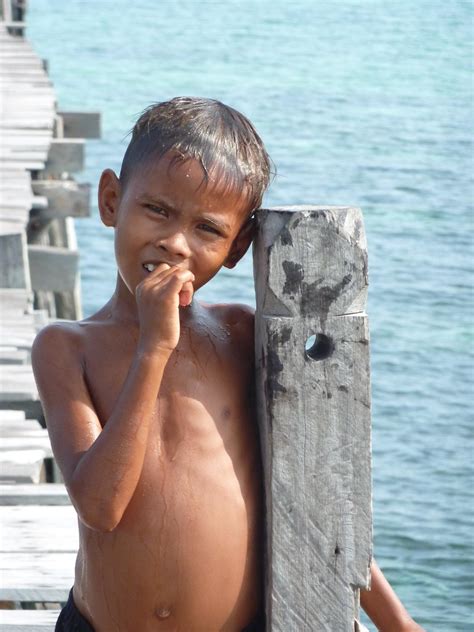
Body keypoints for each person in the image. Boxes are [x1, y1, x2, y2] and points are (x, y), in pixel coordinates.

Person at [32, 96, 423, 631]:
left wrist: (399, 623)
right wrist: (154, 348)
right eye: (157, 210)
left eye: (207, 230)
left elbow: (309, 494)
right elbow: (100, 507)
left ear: (237, 249)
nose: (175, 243)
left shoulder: (243, 336)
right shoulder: (66, 347)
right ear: (110, 201)